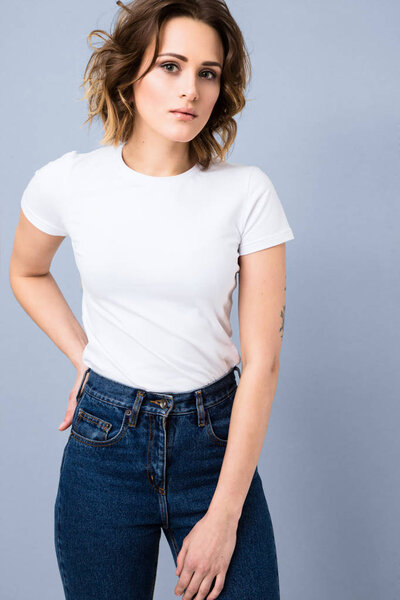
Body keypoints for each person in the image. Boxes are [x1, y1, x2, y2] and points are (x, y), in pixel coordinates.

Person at [9, 0, 295, 598]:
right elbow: (27, 272)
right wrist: (83, 356)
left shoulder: (247, 193)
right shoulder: (69, 181)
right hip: (105, 444)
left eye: (208, 72)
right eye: (171, 66)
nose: (190, 89)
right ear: (129, 73)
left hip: (213, 441)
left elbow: (262, 364)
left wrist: (222, 518)